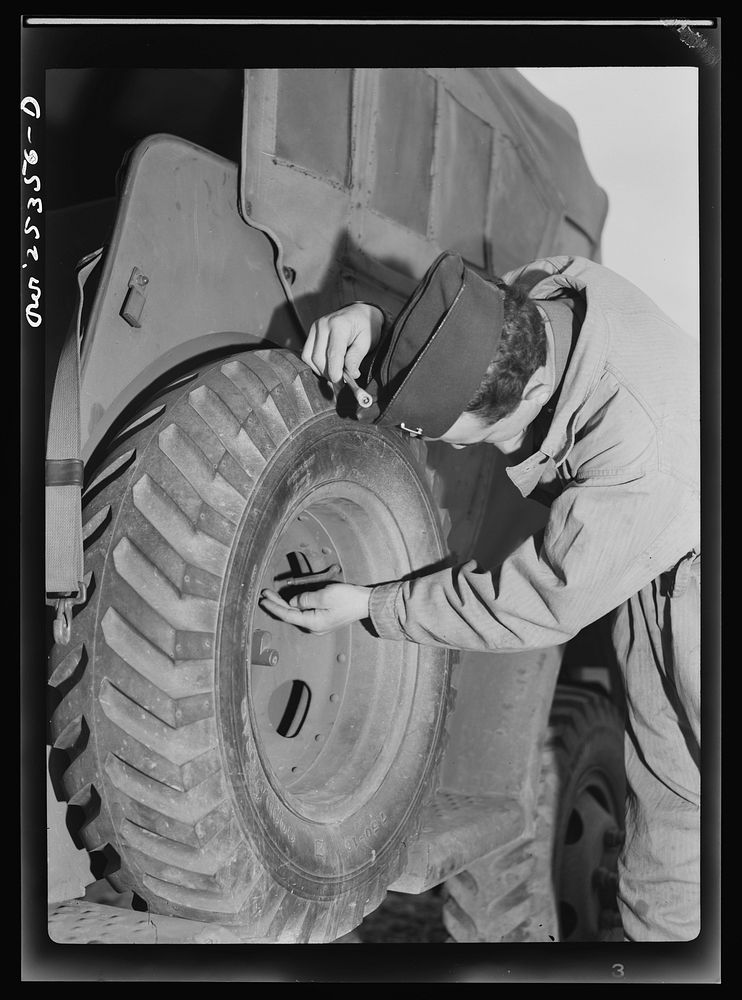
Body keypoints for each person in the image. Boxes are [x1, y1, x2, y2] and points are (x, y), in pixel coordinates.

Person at [259, 251, 700, 942]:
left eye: (487, 439)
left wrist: (374, 606)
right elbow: (461, 327)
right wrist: (383, 329)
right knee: (671, 827)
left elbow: (528, 605)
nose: (483, 451)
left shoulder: (635, 456)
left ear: (530, 397)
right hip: (661, 572)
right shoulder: (531, 302)